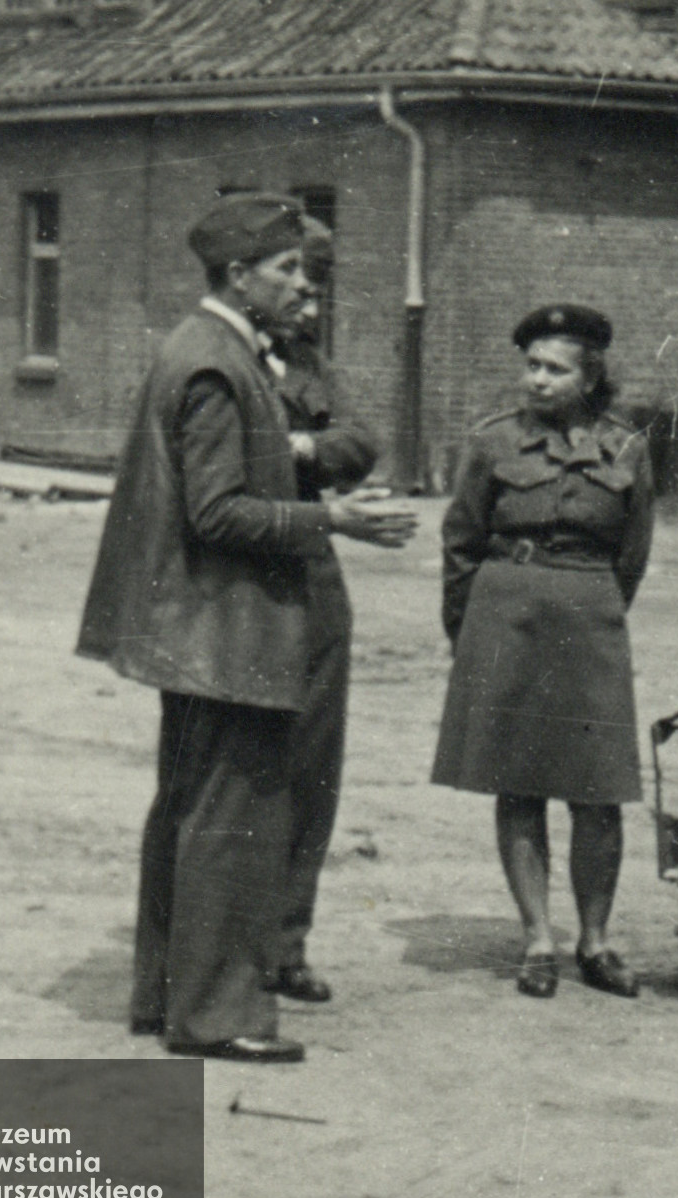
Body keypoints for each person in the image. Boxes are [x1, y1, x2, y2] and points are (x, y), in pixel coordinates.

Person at [77, 192, 415, 1063]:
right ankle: (217, 1015)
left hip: (202, 631)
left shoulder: (215, 351)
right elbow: (219, 514)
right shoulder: (219, 367)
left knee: (190, 815)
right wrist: (331, 521)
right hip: (226, 630)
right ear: (238, 274)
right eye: (287, 268)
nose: (303, 282)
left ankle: (166, 997)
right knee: (230, 820)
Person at [432, 304, 654, 1000]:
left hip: (590, 617)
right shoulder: (491, 443)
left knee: (599, 791)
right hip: (506, 616)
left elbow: (633, 555)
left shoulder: (626, 449)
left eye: (556, 369)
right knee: (519, 781)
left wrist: (593, 606)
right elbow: (461, 543)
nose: (538, 380)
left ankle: (596, 940)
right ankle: (537, 940)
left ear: (590, 378)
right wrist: (467, 635)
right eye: (531, 366)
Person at [260, 214, 383, 1006]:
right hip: (243, 576)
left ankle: (286, 945)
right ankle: (225, 947)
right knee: (243, 778)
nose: (310, 302)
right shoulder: (217, 359)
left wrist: (300, 449)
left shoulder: (307, 363)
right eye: (300, 280)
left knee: (311, 775)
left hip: (312, 576)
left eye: (320, 286)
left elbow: (360, 443)